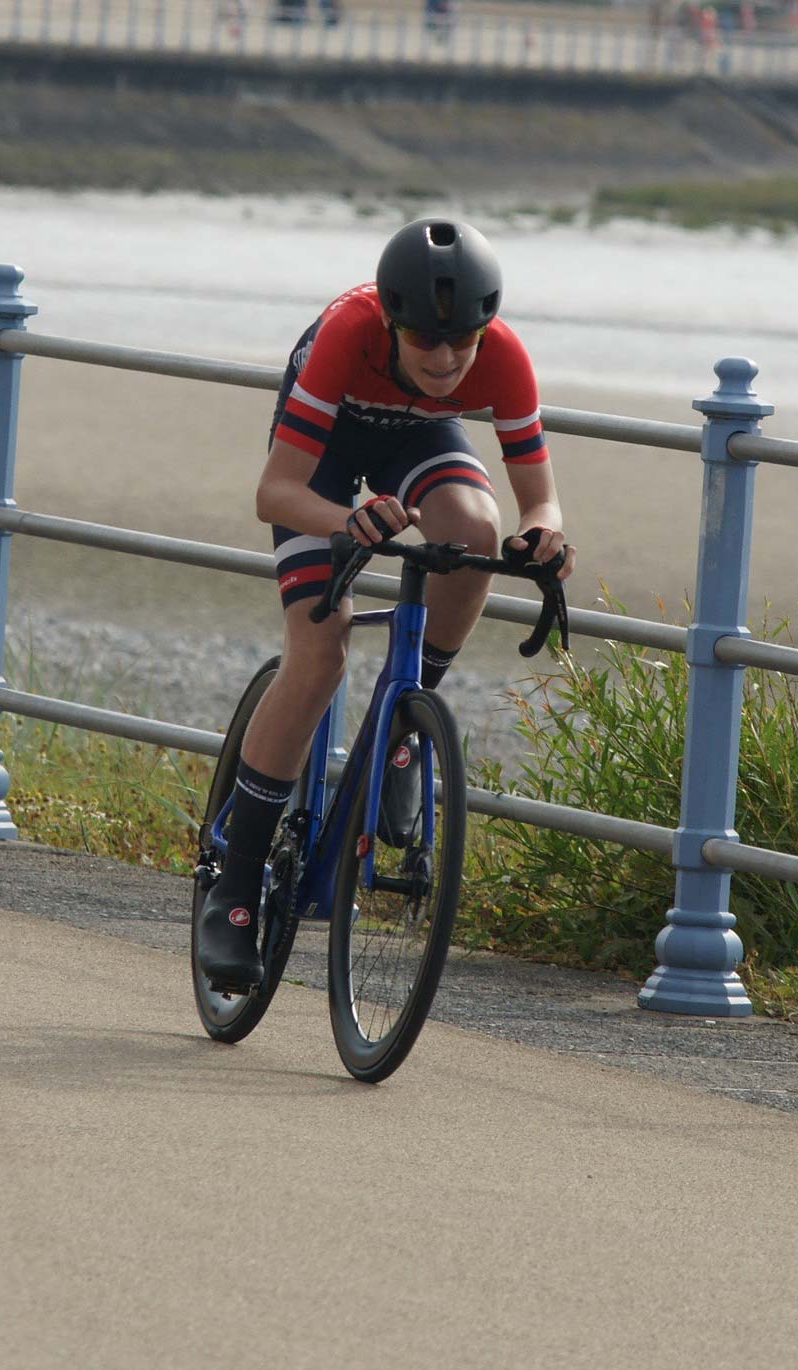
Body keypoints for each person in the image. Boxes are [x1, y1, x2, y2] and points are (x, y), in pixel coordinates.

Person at [197, 216, 574, 990]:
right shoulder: (347, 333)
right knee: (320, 650)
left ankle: (403, 724)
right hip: (322, 457)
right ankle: (233, 891)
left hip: (417, 444)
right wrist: (348, 522)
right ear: (392, 322)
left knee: (474, 532)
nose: (444, 359)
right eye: (424, 341)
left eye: (460, 343)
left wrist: (543, 538)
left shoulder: (499, 354)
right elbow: (275, 489)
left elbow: (540, 501)